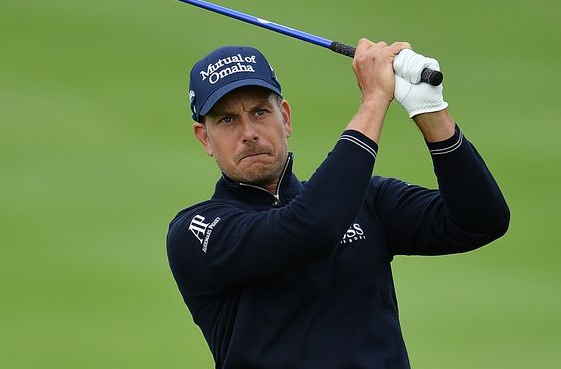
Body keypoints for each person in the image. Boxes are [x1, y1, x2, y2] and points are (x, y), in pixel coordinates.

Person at [166, 40, 510, 368]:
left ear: (285, 118)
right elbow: (309, 228)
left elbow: (480, 220)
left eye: (260, 112)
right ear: (205, 139)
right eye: (227, 120)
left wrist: (431, 112)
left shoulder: (367, 201)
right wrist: (375, 99)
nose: (249, 132)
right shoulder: (198, 231)